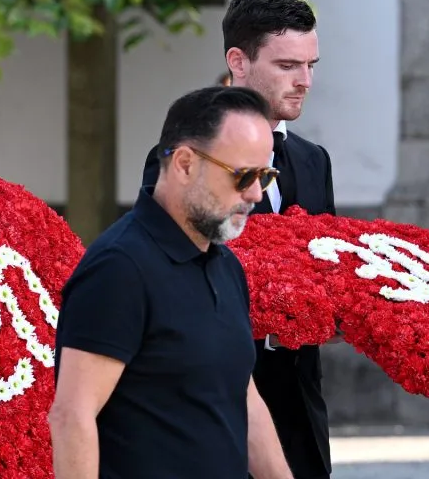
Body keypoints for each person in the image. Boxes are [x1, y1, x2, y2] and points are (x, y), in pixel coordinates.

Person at [50, 86, 293, 479]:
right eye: (243, 175)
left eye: (265, 176)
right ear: (184, 164)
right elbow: (72, 416)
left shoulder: (226, 265)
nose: (254, 194)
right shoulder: (119, 268)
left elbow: (242, 397)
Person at [141, 0, 335, 479]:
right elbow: (169, 281)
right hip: (210, 413)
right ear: (238, 62)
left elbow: (331, 274)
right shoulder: (179, 160)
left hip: (298, 421)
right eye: (289, 65)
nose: (305, 81)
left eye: (311, 65)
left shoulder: (314, 161)